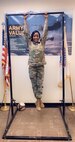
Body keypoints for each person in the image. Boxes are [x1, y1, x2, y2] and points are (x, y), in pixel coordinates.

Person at [24, 13, 48, 110]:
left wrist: (46, 19)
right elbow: (26, 33)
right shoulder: (29, 44)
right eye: (34, 36)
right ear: (32, 37)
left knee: (40, 84)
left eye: (37, 35)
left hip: (41, 66)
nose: (36, 37)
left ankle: (38, 101)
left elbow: (45, 32)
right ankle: (38, 100)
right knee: (34, 84)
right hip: (32, 67)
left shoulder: (42, 43)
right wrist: (25, 20)